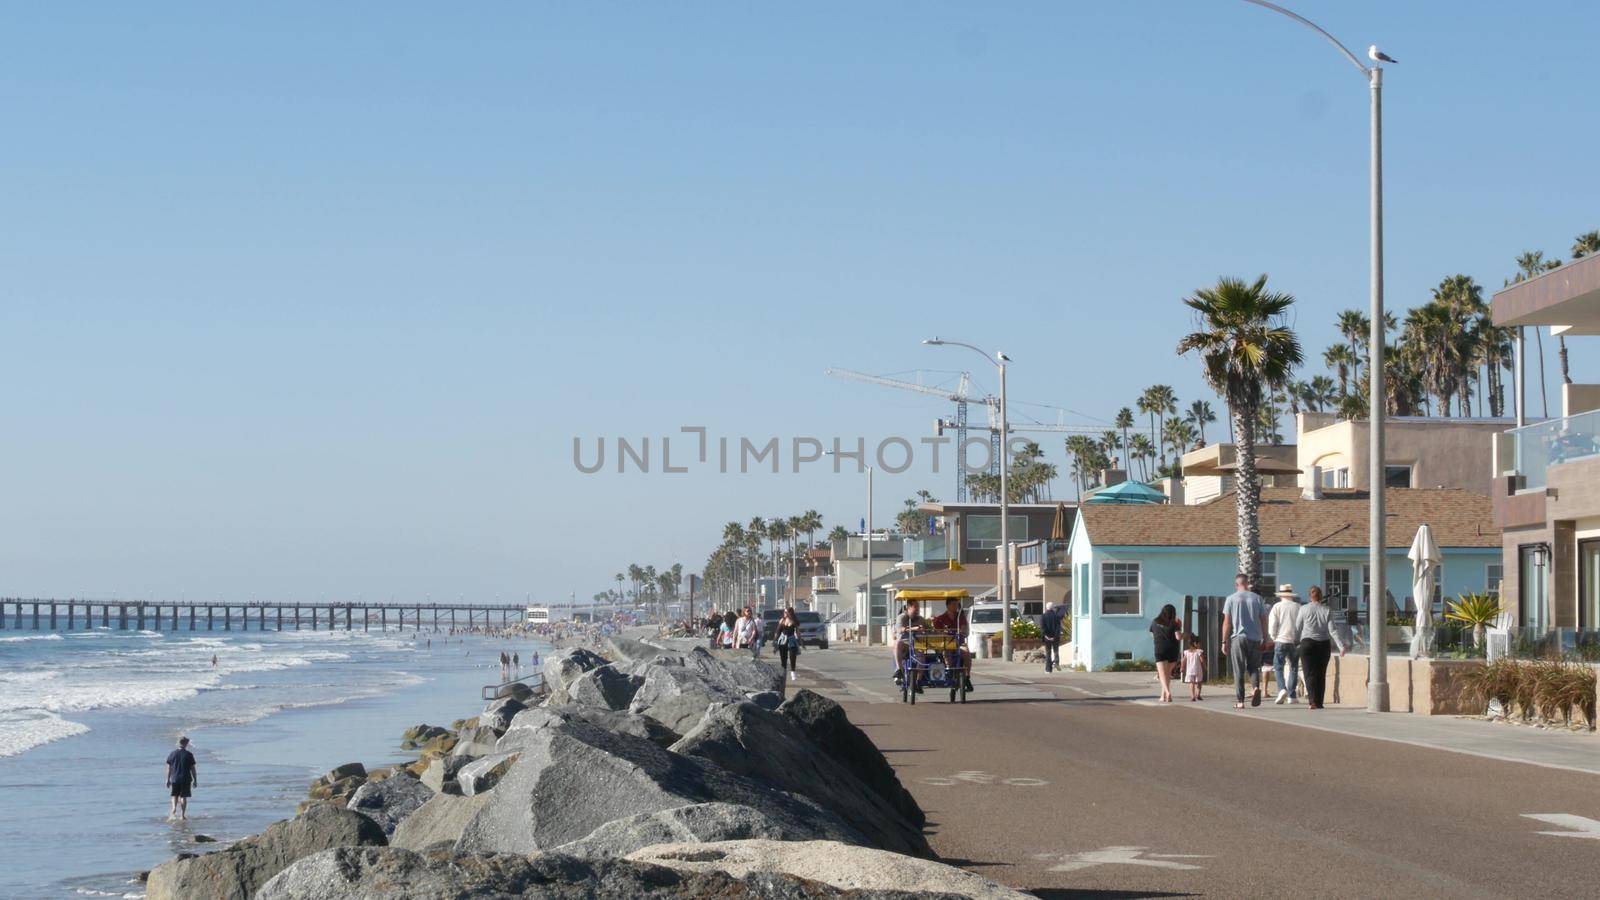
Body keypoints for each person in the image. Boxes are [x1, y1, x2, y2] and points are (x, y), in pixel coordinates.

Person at [1221, 573, 1270, 709]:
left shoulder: (1231, 599)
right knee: (1254, 667)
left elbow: (1227, 623)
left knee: (1239, 670)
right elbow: (1264, 620)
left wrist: (1224, 642)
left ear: (1236, 585)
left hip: (1238, 638)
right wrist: (1265, 638)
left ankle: (1241, 700)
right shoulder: (1257, 599)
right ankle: (1255, 688)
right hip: (1254, 638)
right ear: (1247, 583)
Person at [1295, 585, 1349, 709]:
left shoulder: (1303, 609)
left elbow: (1297, 628)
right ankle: (1319, 702)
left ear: (1310, 596)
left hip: (1307, 643)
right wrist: (1341, 647)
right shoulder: (1326, 610)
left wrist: (1295, 641)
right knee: (1321, 673)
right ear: (1320, 596)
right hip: (1323, 644)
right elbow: (1333, 630)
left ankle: (1312, 701)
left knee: (1309, 673)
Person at [930, 597, 975, 693]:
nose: (955, 607)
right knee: (947, 650)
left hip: (959, 643)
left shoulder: (960, 617)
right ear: (948, 605)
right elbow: (936, 633)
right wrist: (943, 633)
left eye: (957, 605)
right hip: (946, 644)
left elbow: (964, 630)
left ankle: (967, 677)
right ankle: (950, 670)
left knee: (966, 652)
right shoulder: (940, 619)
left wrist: (962, 630)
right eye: (953, 605)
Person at [1268, 584, 1302, 704]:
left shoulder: (1277, 607)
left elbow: (1272, 624)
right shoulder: (1298, 607)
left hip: (1280, 640)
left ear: (1281, 595)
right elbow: (1301, 625)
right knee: (1293, 668)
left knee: (1278, 667)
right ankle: (1292, 695)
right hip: (1294, 641)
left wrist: (1273, 637)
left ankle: (1282, 689)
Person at [1149, 603, 1182, 703]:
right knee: (1167, 674)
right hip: (1172, 649)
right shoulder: (1175, 623)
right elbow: (1178, 637)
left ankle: (1167, 692)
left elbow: (1152, 634)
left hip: (1160, 649)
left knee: (1162, 674)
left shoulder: (1155, 621)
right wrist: (1185, 634)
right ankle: (1163, 696)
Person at [891, 599, 925, 691]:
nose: (917, 609)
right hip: (905, 643)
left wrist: (926, 629)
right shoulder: (901, 617)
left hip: (917, 644)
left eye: (918, 607)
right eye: (915, 607)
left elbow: (928, 630)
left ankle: (918, 681)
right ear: (908, 608)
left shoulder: (921, 619)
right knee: (897, 643)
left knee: (922, 656)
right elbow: (900, 629)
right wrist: (914, 628)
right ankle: (898, 671)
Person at [165, 736, 198, 821]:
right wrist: (195, 780)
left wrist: (167, 779)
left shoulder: (172, 754)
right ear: (186, 744)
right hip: (186, 778)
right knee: (183, 797)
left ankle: (173, 809)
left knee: (174, 795)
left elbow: (169, 768)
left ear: (178, 743)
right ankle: (182, 815)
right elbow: (193, 768)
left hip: (175, 778)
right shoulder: (189, 754)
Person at [775, 607, 801, 681]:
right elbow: (777, 631)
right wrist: (775, 640)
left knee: (792, 656)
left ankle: (793, 672)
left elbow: (798, 632)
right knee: (783, 657)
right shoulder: (782, 620)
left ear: (790, 613)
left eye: (786, 612)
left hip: (791, 639)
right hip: (783, 640)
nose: (785, 613)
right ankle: (784, 672)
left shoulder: (794, 621)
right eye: (784, 612)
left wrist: (800, 642)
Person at [1039, 601, 1064, 673]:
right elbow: (1058, 627)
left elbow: (1042, 627)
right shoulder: (1056, 617)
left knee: (1048, 653)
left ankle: (1048, 669)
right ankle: (1056, 662)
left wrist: (1046, 636)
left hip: (1047, 638)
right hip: (1055, 637)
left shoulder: (1043, 616)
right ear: (1053, 608)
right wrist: (1055, 636)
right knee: (1056, 651)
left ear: (1046, 608)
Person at [1182, 637, 1206, 701]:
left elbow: (1183, 660)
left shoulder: (1186, 652)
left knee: (1191, 683)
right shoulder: (1199, 651)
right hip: (1198, 669)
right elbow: (1202, 660)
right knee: (1199, 682)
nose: (1200, 645)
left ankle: (1192, 696)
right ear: (1195, 643)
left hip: (1190, 670)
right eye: (1199, 643)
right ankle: (1198, 694)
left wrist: (1182, 667)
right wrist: (1205, 666)